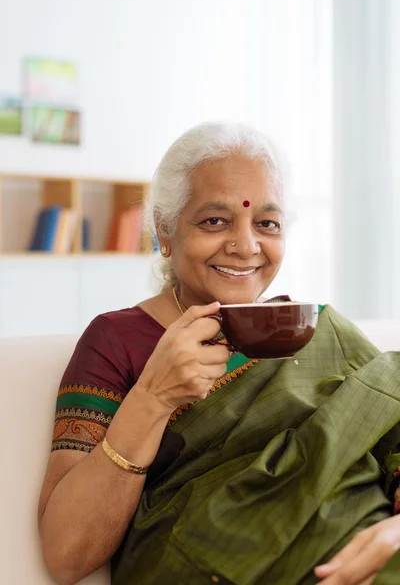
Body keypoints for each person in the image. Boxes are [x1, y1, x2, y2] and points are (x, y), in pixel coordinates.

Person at [38, 122, 400, 585]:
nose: (246, 246)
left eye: (266, 223)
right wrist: (152, 398)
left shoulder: (316, 329)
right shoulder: (117, 340)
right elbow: (65, 555)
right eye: (215, 220)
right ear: (165, 230)